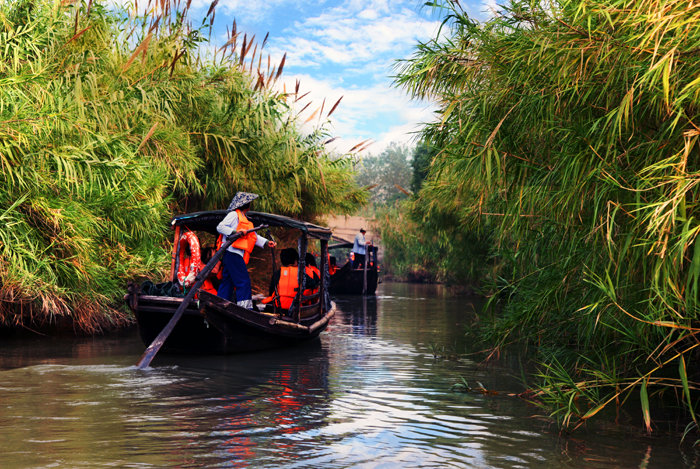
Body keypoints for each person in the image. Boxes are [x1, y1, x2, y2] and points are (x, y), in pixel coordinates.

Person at [216, 191, 276, 309]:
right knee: (243, 281)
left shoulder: (245, 219)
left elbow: (253, 236)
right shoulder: (234, 215)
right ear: (246, 205)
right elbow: (220, 227)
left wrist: (265, 242)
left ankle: (220, 304)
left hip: (234, 254)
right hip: (232, 252)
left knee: (227, 281)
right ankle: (245, 308)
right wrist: (235, 233)